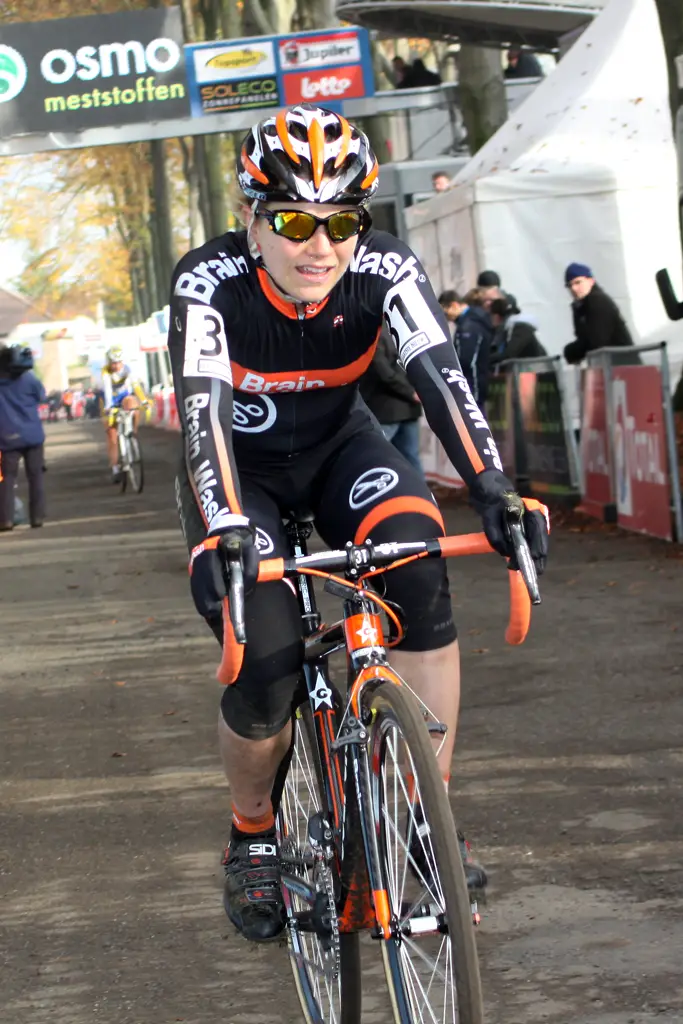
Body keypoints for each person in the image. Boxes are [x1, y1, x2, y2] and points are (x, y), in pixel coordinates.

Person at [169, 103, 549, 943]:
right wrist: (227, 523)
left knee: (417, 573)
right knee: (264, 664)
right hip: (239, 478)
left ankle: (424, 823)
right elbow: (201, 416)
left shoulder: (385, 268)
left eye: (342, 220)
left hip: (344, 452)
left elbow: (440, 378)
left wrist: (493, 489)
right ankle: (252, 833)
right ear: (250, 218)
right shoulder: (208, 283)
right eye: (295, 220)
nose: (320, 245)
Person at [359, 325, 424, 475]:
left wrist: (411, 392)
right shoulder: (407, 332)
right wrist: (414, 392)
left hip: (386, 408)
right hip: (408, 406)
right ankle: (423, 496)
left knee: (375, 456)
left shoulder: (373, 333)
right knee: (410, 457)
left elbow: (383, 372)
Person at [0, 344, 46, 530]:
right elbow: (40, 397)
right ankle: (37, 518)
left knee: (7, 479)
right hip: (33, 434)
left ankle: (6, 520)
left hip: (6, 436)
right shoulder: (29, 379)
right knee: (35, 476)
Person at [563, 263, 639, 365]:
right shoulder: (581, 306)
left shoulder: (597, 301)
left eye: (578, 282)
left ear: (591, 281)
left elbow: (597, 341)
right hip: (611, 366)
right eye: (569, 285)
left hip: (623, 367)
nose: (573, 288)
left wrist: (570, 351)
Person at [101, 346, 147, 482]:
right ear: (109, 363)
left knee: (134, 404)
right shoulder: (106, 372)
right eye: (113, 363)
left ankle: (133, 432)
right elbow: (107, 390)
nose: (116, 366)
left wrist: (144, 400)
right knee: (112, 435)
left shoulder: (127, 369)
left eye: (118, 362)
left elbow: (135, 385)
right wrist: (109, 407)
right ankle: (115, 467)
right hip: (109, 400)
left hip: (124, 397)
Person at [453, 288, 495, 408]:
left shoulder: (469, 325)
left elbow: (467, 360)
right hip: (478, 383)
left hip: (471, 385)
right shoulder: (482, 321)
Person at [490, 296, 547, 365]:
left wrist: (484, 359)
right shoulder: (510, 328)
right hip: (529, 368)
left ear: (496, 316)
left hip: (535, 369)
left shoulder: (520, 329)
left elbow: (509, 353)